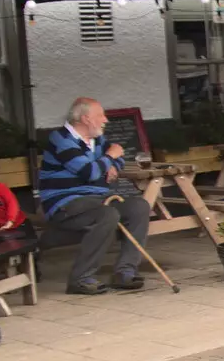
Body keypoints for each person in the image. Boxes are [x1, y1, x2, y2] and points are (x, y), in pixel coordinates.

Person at [37, 97, 151, 295]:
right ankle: (80, 279)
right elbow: (89, 172)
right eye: (100, 115)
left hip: (95, 201)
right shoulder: (61, 139)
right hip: (64, 203)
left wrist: (110, 164)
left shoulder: (97, 139)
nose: (105, 119)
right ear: (86, 118)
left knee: (139, 207)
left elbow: (119, 159)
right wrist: (109, 159)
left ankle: (125, 272)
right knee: (107, 215)